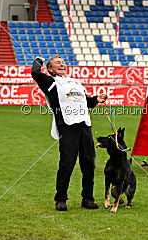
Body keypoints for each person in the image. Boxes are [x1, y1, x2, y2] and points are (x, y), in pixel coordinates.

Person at [32, 56, 107, 211]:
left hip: (85, 126)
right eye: (57, 63)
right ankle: (61, 199)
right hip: (67, 127)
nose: (62, 64)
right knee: (67, 164)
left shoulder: (76, 82)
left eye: (63, 62)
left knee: (89, 164)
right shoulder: (50, 82)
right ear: (50, 69)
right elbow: (35, 73)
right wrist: (39, 60)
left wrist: (96, 99)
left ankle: (88, 198)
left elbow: (85, 102)